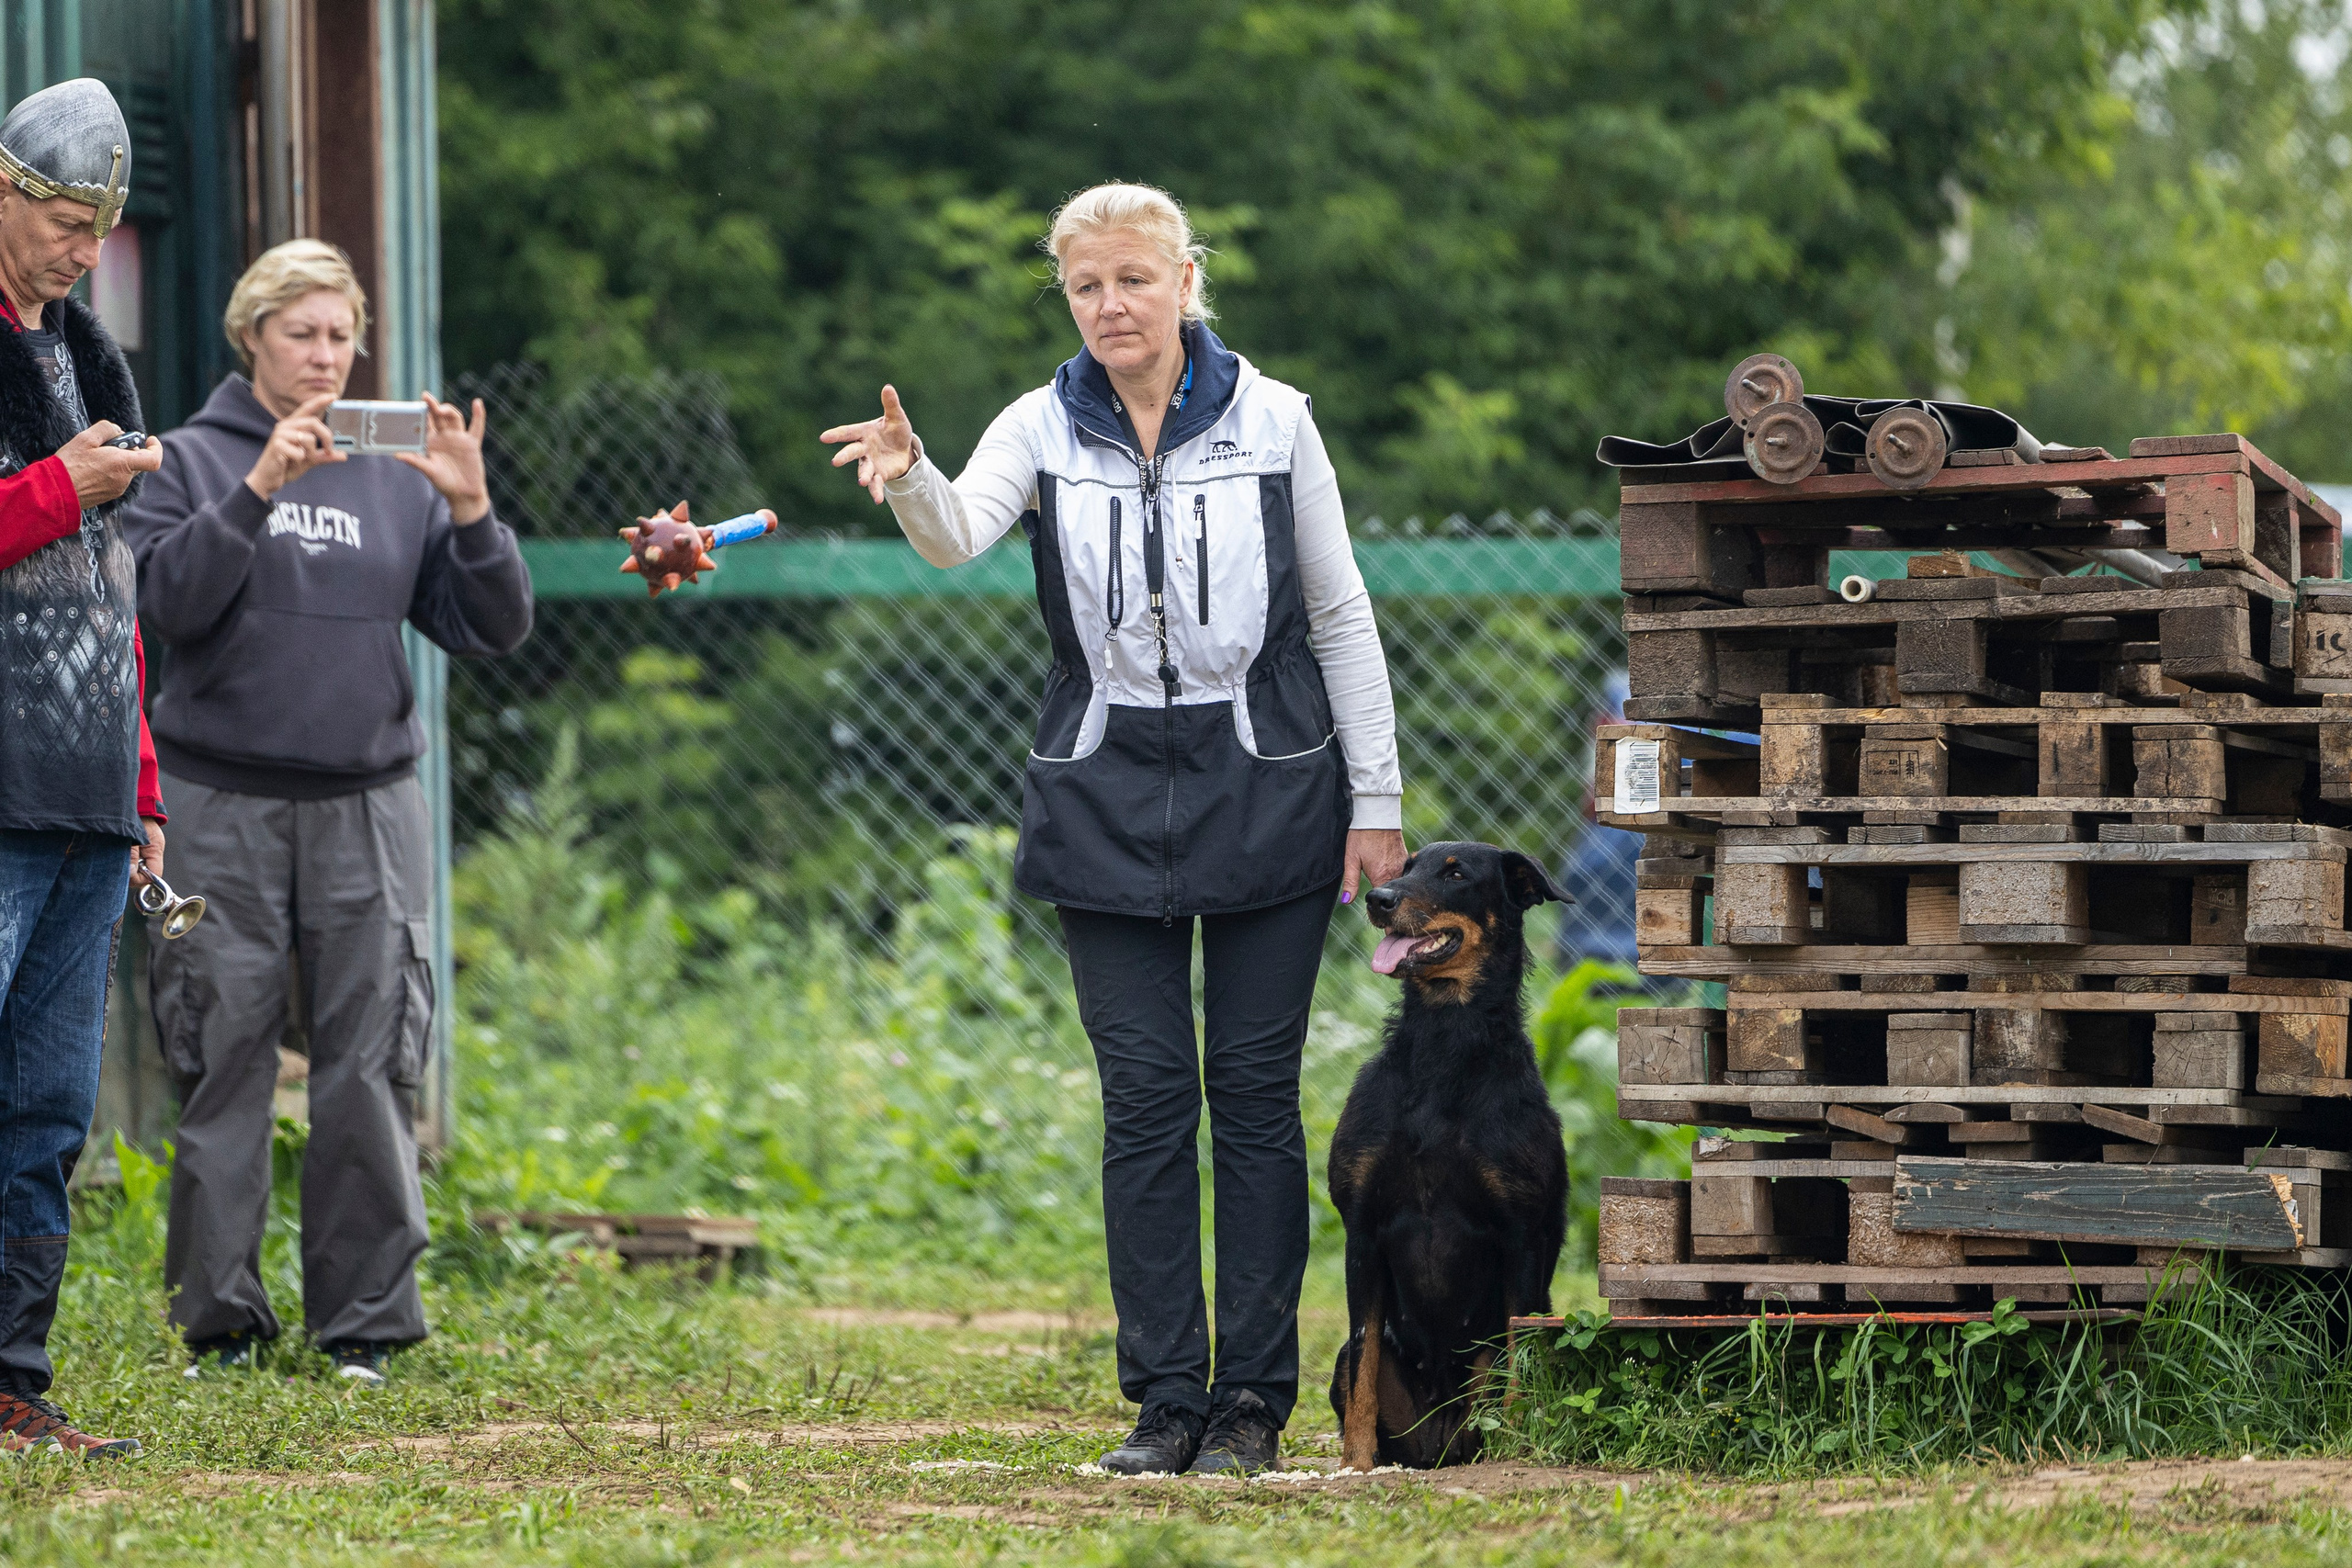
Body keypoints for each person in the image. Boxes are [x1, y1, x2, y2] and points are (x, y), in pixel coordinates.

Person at [821, 183, 1407, 1476]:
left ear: (1187, 279)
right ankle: (1165, 1402)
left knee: (1252, 1096)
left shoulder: (1276, 419)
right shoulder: (1040, 420)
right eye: (1086, 286)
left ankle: (1252, 1403)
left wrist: (1378, 800)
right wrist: (912, 475)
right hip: (1101, 785)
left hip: (1270, 779)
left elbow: (1343, 614)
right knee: (1144, 1099)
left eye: (1134, 278)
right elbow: (956, 536)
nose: (1111, 305)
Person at [119, 240, 533, 1386]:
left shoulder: (394, 475)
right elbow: (166, 607)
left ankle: (363, 1323)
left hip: (366, 806)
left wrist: (472, 506)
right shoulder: (189, 461)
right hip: (220, 804)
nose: (324, 356)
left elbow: (489, 627)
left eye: (341, 336)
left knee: (369, 1063)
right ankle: (222, 1327)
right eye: (301, 333)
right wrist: (259, 490)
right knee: (224, 1054)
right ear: (251, 336)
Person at [0, 77, 164, 1457]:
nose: (78, 251)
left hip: (87, 787)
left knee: (50, 1101)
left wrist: (146, 787)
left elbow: (117, 598)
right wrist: (62, 484)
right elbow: (59, 516)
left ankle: (12, 1381)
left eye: (93, 232)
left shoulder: (93, 362)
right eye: (59, 221)